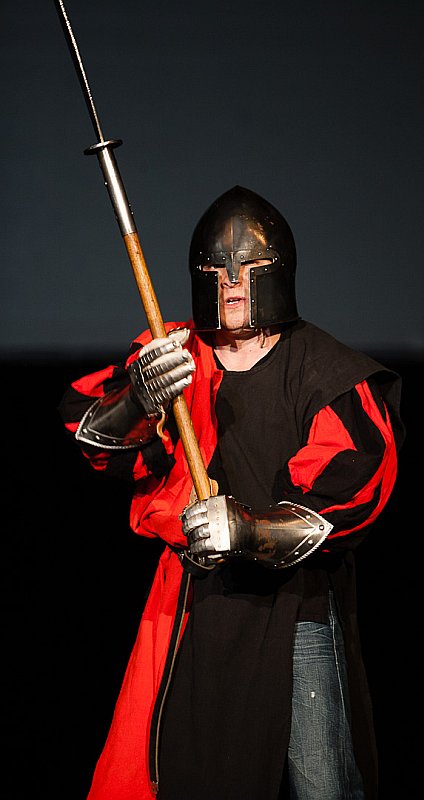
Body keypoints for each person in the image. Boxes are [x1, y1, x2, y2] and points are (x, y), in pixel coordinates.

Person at [59, 185, 405, 800]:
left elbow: (355, 489)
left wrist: (246, 528)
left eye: (250, 267)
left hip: (295, 606)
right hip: (198, 605)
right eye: (217, 269)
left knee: (323, 785)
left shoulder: (325, 371)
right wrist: (138, 401)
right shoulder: (174, 353)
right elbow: (94, 439)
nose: (233, 282)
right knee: (192, 777)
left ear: (278, 271)